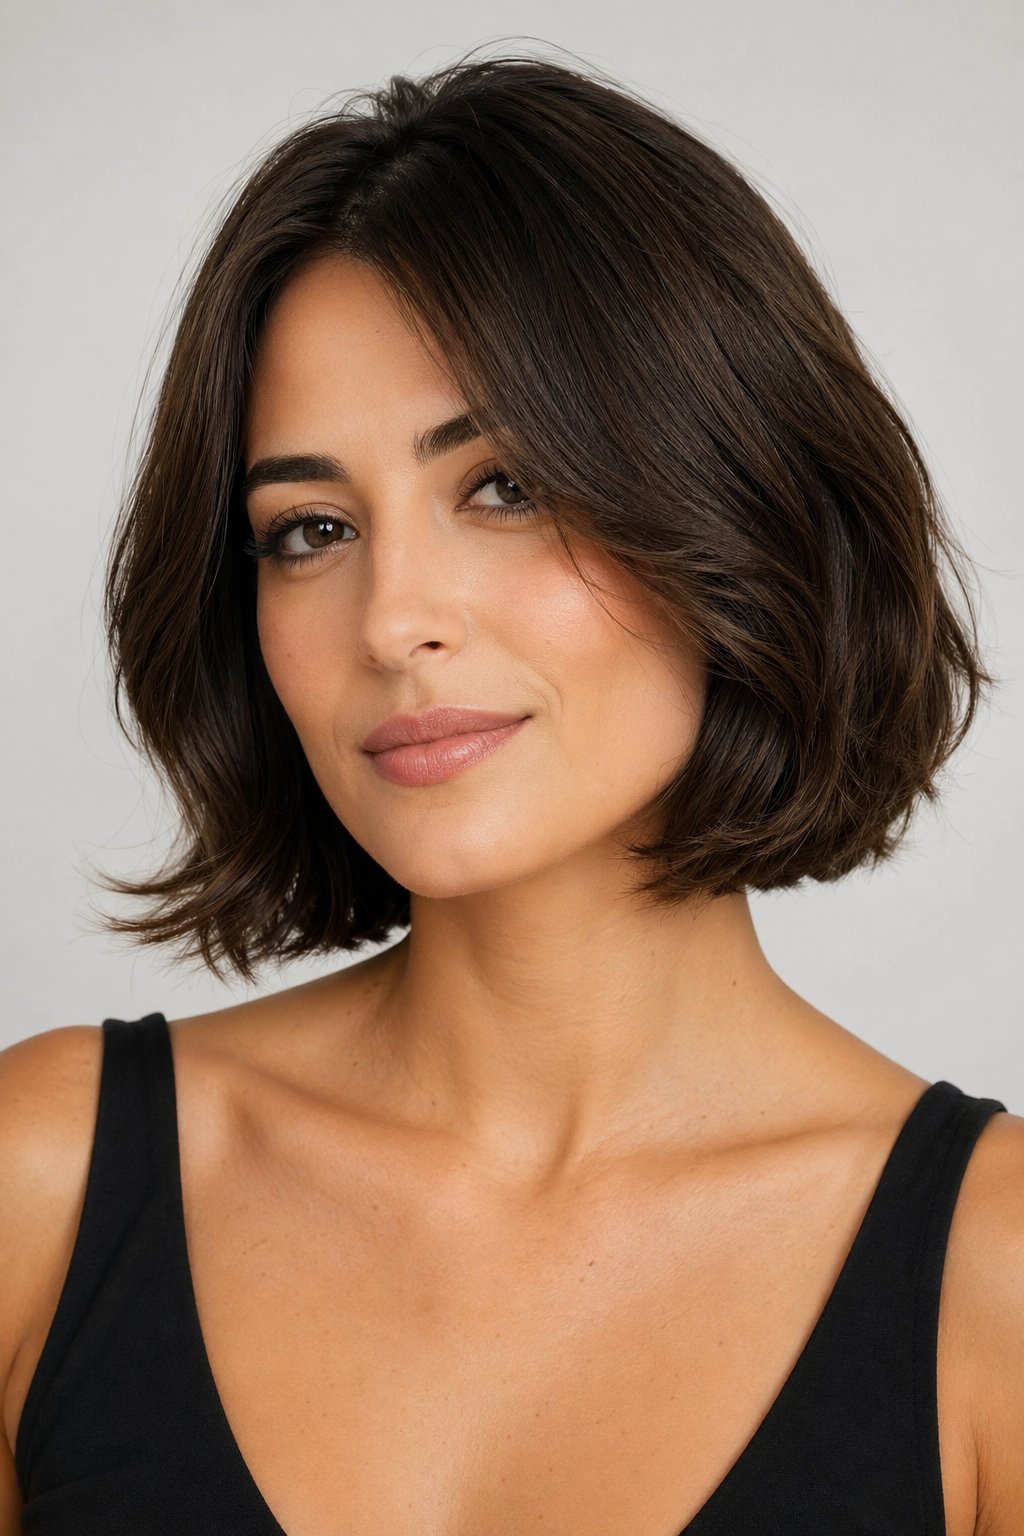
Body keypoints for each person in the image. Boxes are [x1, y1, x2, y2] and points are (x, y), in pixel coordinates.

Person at [0, 47, 1021, 1536]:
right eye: (310, 529)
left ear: (736, 504)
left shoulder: (997, 1283)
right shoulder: (40, 1184)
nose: (392, 619)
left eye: (505, 487)